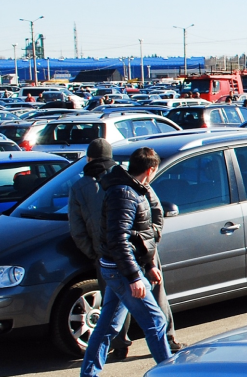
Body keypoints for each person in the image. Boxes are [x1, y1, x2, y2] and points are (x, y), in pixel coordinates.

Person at [80, 147, 171, 377]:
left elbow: (137, 234)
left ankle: (88, 374)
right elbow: (118, 239)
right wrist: (133, 277)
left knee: (108, 325)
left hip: (120, 268)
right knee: (156, 321)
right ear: (150, 170)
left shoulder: (131, 189)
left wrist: (149, 264)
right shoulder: (125, 192)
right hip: (121, 271)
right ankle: (171, 372)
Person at [69, 140, 130, 361]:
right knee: (137, 298)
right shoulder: (123, 178)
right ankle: (160, 342)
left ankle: (116, 344)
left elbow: (77, 229)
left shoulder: (78, 187)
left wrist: (93, 252)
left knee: (111, 301)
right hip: (128, 249)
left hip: (103, 254)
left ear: (88, 159)